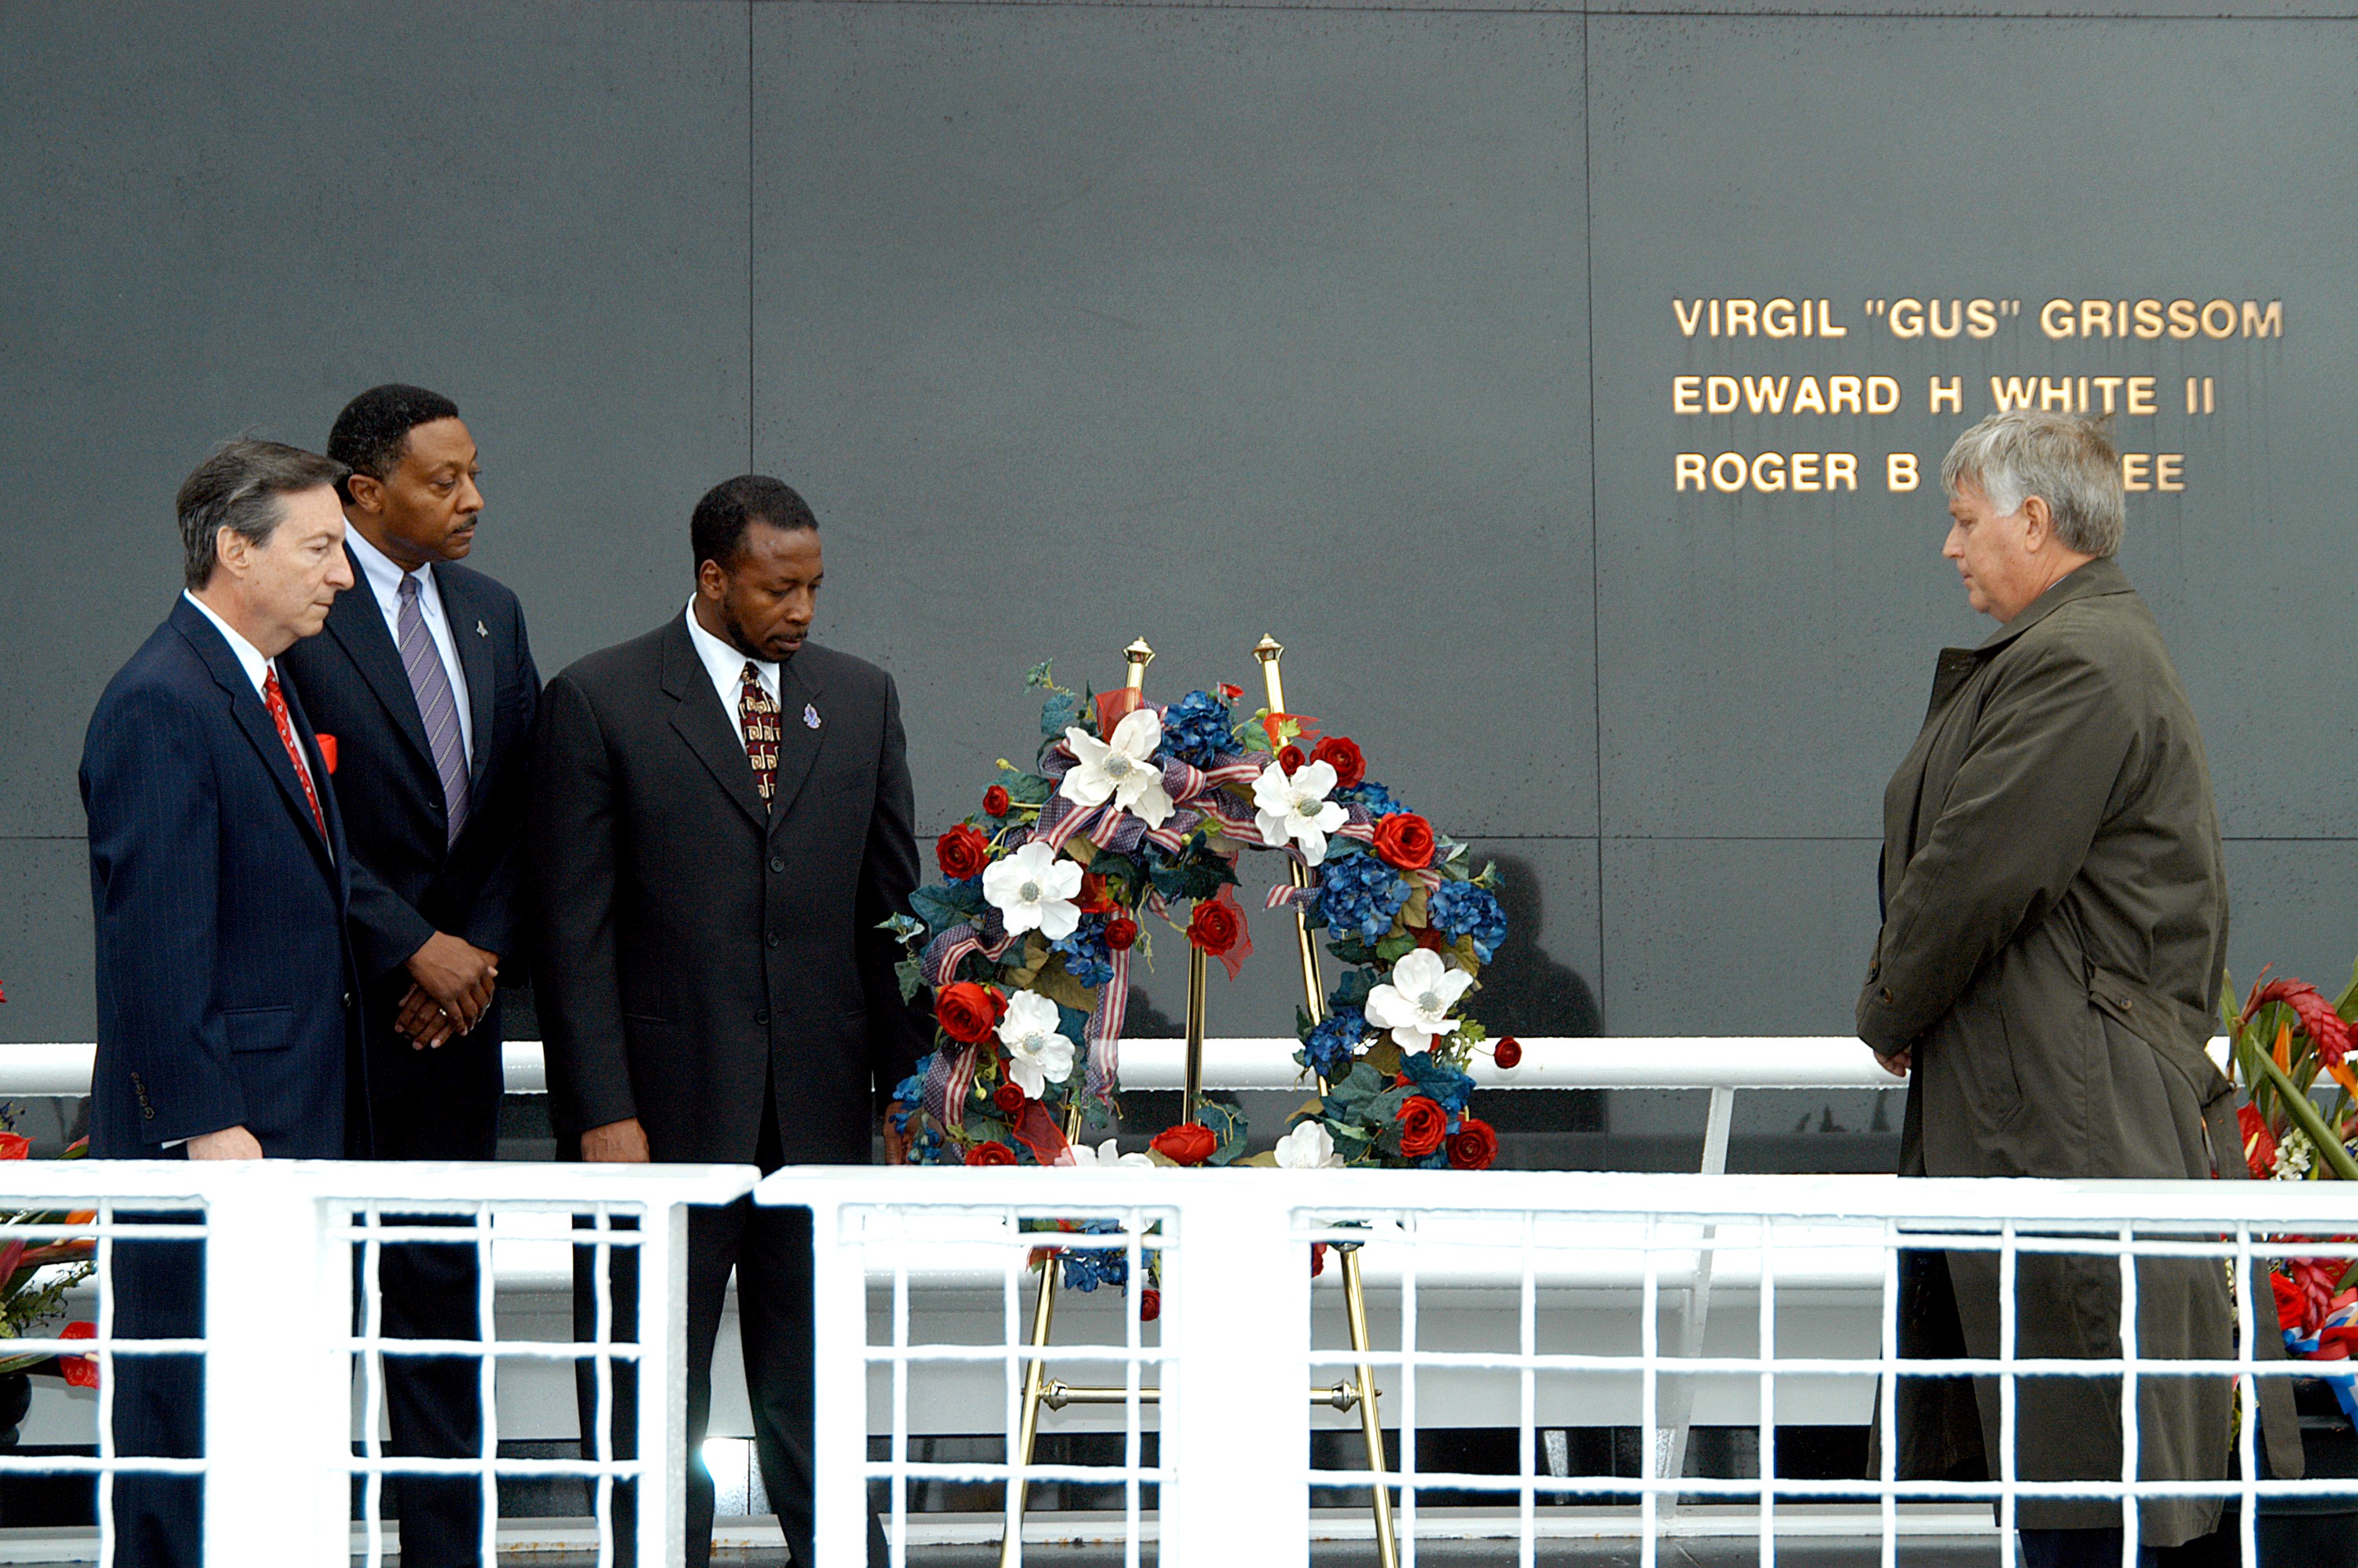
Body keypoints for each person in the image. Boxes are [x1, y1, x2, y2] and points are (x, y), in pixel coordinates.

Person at [1857, 410, 2301, 1566]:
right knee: (2085, 1451)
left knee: (2090, 1463)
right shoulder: (2082, 651)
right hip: (2056, 1099)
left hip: (2067, 1112)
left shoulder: (2078, 659)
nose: (1949, 548)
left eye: (1962, 521)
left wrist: (1889, 1012)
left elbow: (1976, 870)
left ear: (2035, 521)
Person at [531, 475, 923, 1566]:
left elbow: (888, 915)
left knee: (817, 1380)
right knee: (648, 1377)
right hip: (653, 1122)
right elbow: (575, 935)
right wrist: (603, 1112)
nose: (802, 610)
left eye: (814, 587)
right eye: (776, 587)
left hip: (817, 1118)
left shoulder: (858, 698)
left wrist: (909, 1093)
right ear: (712, 578)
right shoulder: (599, 700)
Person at [81, 439, 363, 1566]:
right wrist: (206, 1121)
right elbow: (152, 937)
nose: (342, 575)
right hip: (220, 1145)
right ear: (236, 551)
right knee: (185, 1420)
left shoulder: (258, 685)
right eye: (321, 548)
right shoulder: (163, 700)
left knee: (261, 1420)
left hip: (281, 1130)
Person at [277, 384, 540, 1566]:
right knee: (304, 1311)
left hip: (455, 1025)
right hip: (335, 1019)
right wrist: (408, 945)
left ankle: (445, 1549)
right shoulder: (297, 616)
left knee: (441, 1311)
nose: (474, 498)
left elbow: (521, 812)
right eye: (446, 481)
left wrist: (471, 955)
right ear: (364, 495)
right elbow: (295, 810)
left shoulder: (491, 611)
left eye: (474, 472)